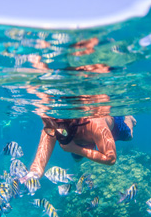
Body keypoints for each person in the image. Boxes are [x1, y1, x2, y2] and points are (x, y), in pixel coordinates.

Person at [19, 38, 137, 182]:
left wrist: (74, 148)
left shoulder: (96, 123)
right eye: (59, 131)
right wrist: (33, 174)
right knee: (77, 160)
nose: (57, 131)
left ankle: (129, 118)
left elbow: (111, 158)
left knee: (129, 135)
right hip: (76, 142)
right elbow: (40, 160)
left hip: (111, 128)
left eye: (60, 132)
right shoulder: (54, 125)